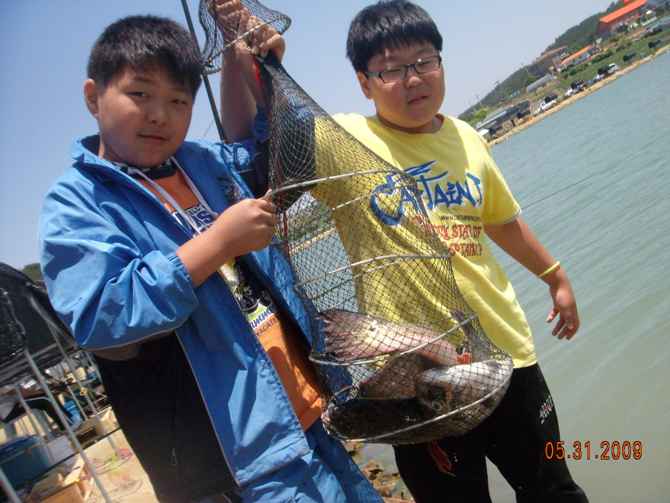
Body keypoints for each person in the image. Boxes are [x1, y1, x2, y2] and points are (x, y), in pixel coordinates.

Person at [228, 1, 588, 502]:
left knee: (554, 490)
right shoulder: (342, 138)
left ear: (441, 63)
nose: (413, 79)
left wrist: (555, 276)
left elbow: (502, 223)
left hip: (505, 352)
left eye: (424, 61)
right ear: (364, 83)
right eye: (391, 69)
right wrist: (251, 61)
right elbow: (248, 144)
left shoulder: (466, 137)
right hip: (411, 380)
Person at [38, 7, 382, 503]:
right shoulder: (77, 203)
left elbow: (280, 158)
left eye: (179, 101)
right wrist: (218, 243)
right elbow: (102, 316)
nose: (160, 114)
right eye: (140, 94)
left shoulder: (200, 162)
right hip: (241, 466)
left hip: (310, 416)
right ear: (94, 97)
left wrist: (260, 68)